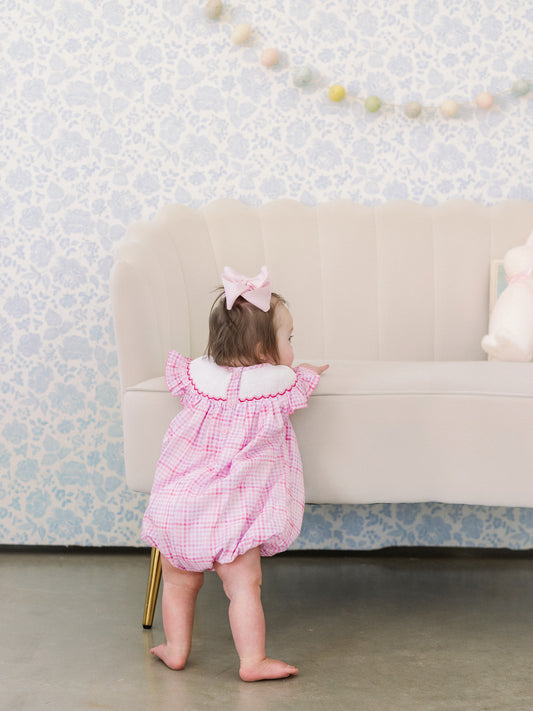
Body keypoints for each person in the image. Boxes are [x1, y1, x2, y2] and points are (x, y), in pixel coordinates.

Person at [142, 266, 328, 682]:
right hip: (234, 514)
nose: (291, 347)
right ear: (265, 347)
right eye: (289, 338)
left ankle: (175, 649)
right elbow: (301, 382)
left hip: (180, 506)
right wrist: (311, 371)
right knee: (243, 587)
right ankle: (252, 662)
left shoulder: (198, 376)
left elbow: (188, 376)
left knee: (178, 585)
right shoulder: (278, 383)